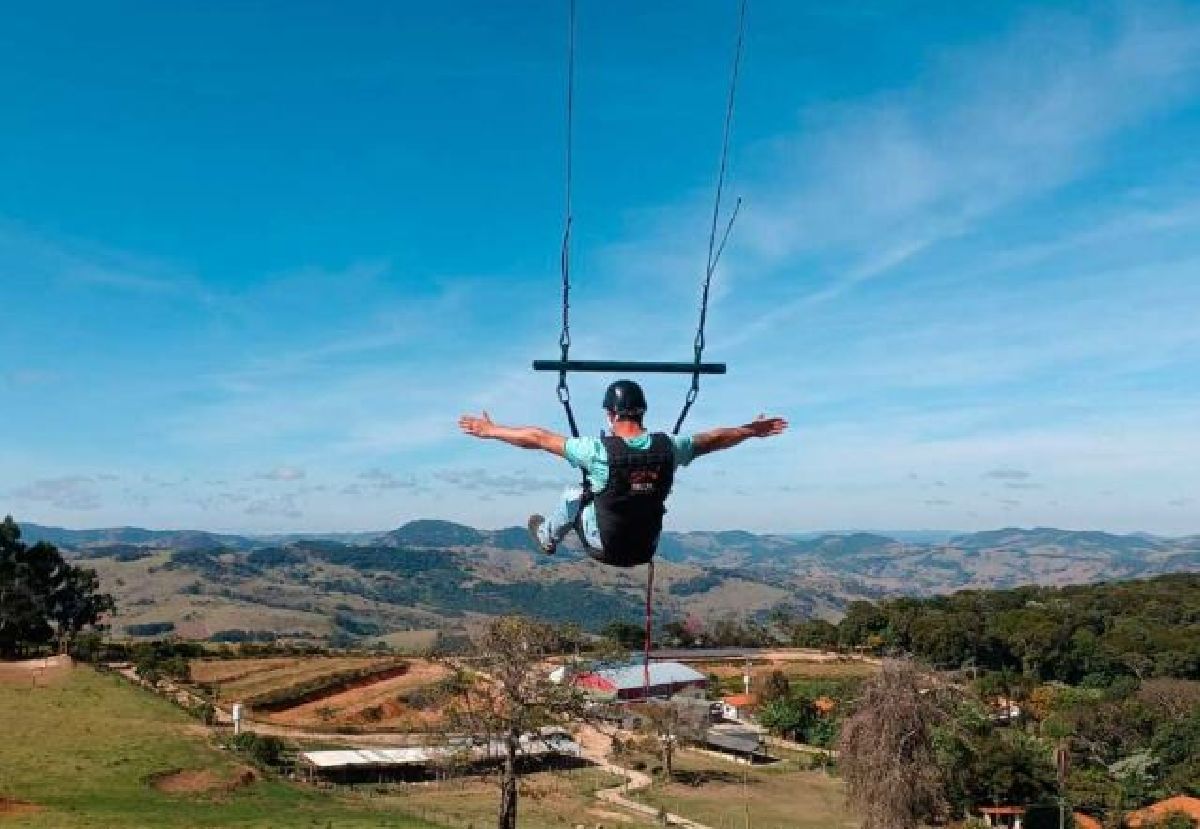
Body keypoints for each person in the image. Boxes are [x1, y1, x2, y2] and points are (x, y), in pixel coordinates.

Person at [458, 379, 787, 567]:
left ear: (610, 415)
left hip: (607, 547)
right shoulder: (670, 447)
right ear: (642, 412)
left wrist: (492, 430)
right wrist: (749, 430)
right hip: (645, 548)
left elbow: (539, 438)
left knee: (574, 494)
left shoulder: (597, 451)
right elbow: (713, 439)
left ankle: (547, 537)